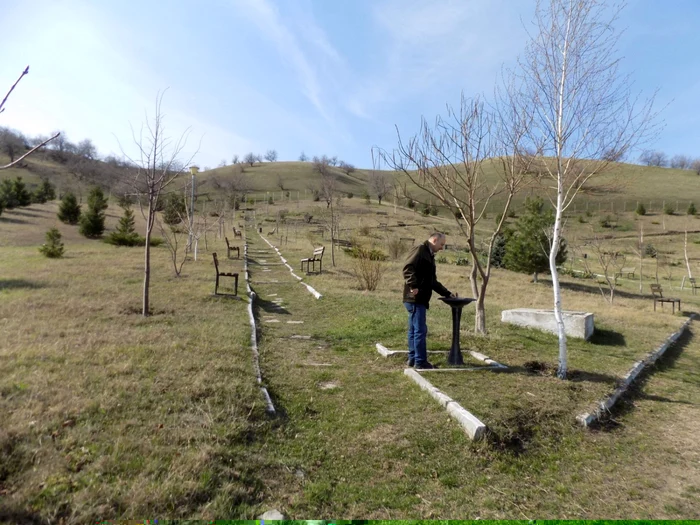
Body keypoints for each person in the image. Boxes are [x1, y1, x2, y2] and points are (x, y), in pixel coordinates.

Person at [402, 232, 456, 369]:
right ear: (434, 240)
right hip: (415, 298)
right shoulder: (420, 250)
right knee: (420, 330)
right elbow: (408, 268)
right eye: (441, 244)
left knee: (414, 330)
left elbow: (432, 281)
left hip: (419, 298)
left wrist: (447, 293)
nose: (442, 248)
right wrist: (413, 286)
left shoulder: (430, 255)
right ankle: (420, 362)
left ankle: (413, 359)